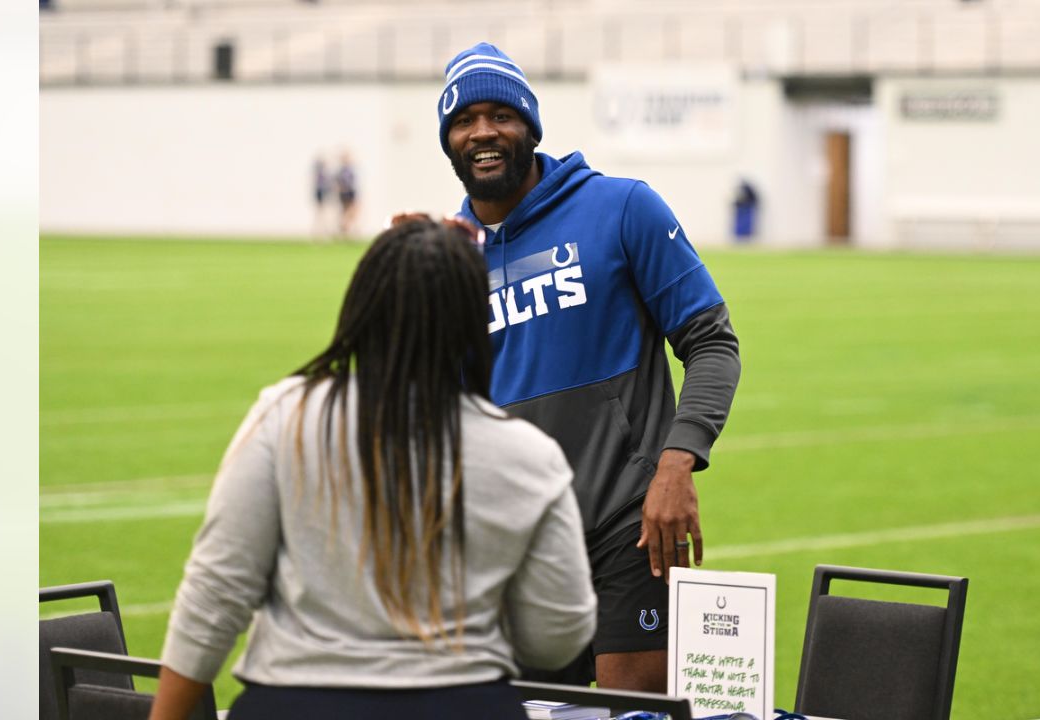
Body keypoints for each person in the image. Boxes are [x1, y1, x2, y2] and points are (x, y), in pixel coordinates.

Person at [148, 218, 597, 720]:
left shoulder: (287, 415)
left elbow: (215, 595)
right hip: (463, 702)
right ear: (474, 320)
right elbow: (557, 637)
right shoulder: (527, 454)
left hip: (293, 702)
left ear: (363, 308)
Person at [434, 42, 741, 692]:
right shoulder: (447, 257)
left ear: (529, 126)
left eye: (501, 115)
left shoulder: (622, 208)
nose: (483, 132)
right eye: (465, 120)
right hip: (511, 537)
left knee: (632, 709)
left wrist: (676, 464)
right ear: (449, 140)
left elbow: (711, 342)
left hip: (628, 521)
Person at [335, 150, 360, 238]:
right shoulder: (344, 171)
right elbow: (342, 183)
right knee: (351, 210)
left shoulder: (344, 170)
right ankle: (344, 225)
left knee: (349, 211)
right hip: (348, 193)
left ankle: (347, 228)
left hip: (347, 192)